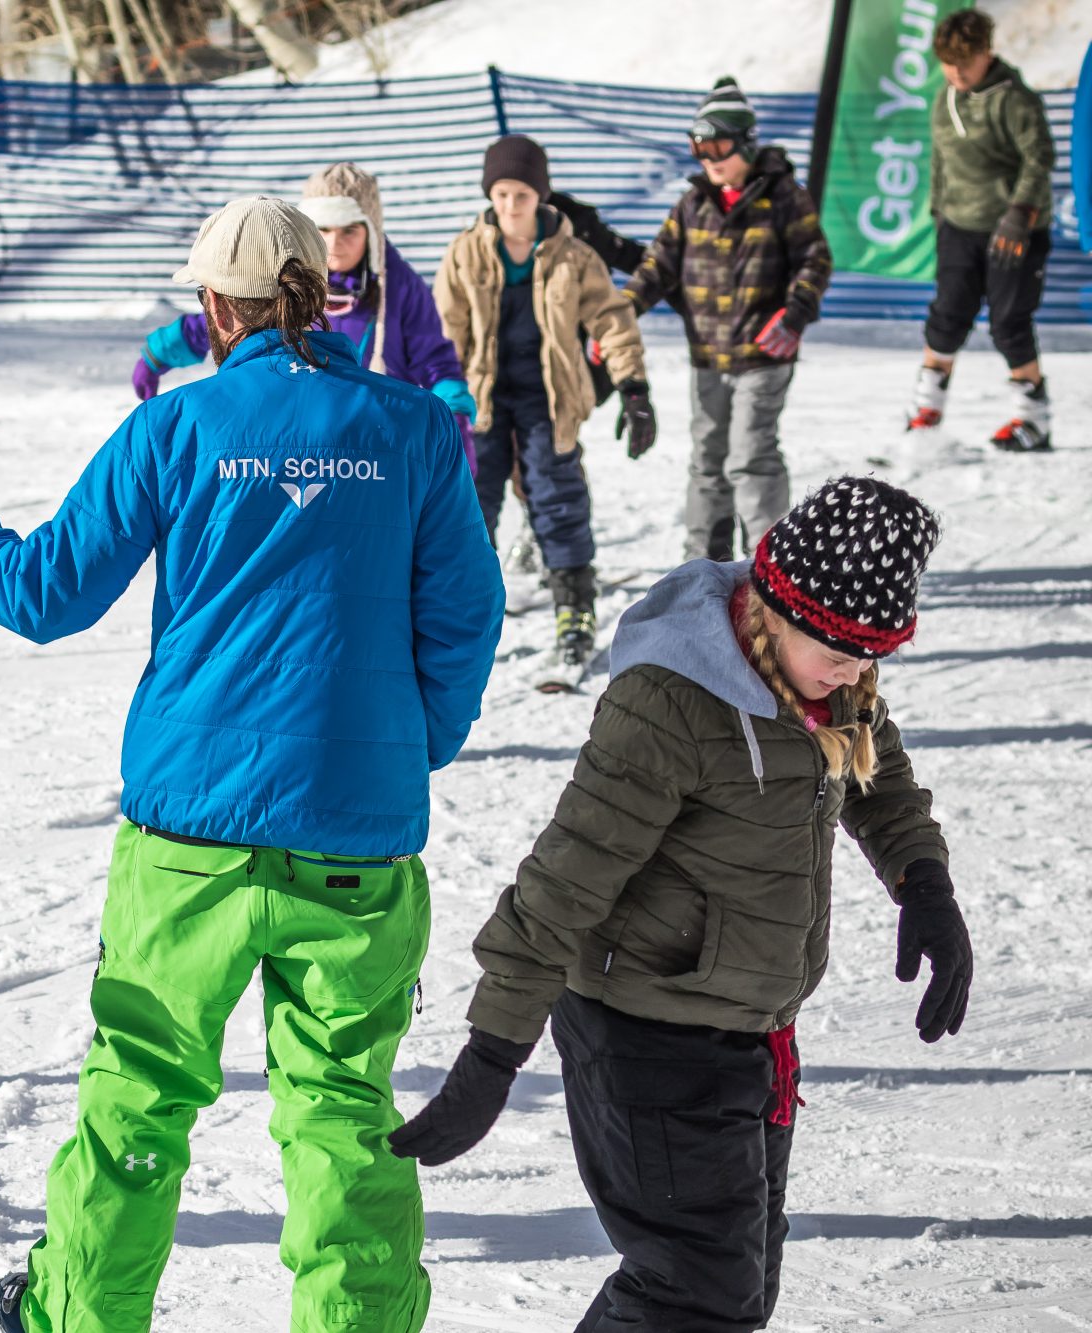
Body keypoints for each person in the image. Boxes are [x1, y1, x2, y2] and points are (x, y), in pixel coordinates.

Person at [0, 196, 505, 1333]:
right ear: (321, 297)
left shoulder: (174, 429)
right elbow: (467, 618)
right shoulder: (415, 429)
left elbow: (42, 591)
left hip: (187, 845)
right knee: (342, 1116)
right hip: (356, 844)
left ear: (211, 310)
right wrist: (403, 750)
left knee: (137, 1098)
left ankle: (77, 1316)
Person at [392, 476, 973, 1333]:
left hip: (749, 1032)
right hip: (646, 1040)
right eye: (841, 648)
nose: (855, 672)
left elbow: (875, 778)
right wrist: (493, 1055)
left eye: (873, 653)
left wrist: (924, 884)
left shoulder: (829, 685)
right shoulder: (670, 703)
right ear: (775, 607)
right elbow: (564, 878)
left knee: (733, 1284)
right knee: (696, 1292)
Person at [435, 134, 656, 667]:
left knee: (556, 495)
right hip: (479, 398)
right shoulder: (465, 251)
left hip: (548, 397)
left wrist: (634, 389)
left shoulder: (574, 255)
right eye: (503, 194)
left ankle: (574, 605)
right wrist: (435, 398)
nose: (512, 206)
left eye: (523, 195)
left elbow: (612, 320)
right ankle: (464, 605)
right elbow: (443, 331)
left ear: (542, 196)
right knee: (470, 501)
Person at [627, 78, 833, 563]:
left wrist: (794, 313)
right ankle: (704, 564)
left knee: (750, 457)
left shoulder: (784, 197)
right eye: (700, 148)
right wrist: (619, 313)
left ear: (745, 142)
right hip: (708, 355)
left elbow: (815, 260)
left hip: (764, 355)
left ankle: (770, 565)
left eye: (718, 145)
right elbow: (656, 267)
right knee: (707, 462)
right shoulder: (693, 204)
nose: (710, 159)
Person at [132, 163, 473, 435]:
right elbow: (233, 313)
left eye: (349, 230)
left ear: (371, 231)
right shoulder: (285, 275)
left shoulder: (399, 287)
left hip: (381, 433)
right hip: (300, 429)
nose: (335, 243)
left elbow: (433, 356)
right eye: (323, 229)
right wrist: (160, 350)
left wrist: (453, 410)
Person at [908, 9, 1056, 452]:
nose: (956, 72)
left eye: (965, 63)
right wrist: (938, 213)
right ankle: (925, 411)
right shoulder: (945, 96)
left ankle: (1034, 420)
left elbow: (1040, 157)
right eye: (948, 64)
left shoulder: (1015, 98)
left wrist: (1020, 214)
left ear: (986, 53)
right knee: (947, 318)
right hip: (959, 225)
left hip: (1013, 229)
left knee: (1009, 323)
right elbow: (940, 159)